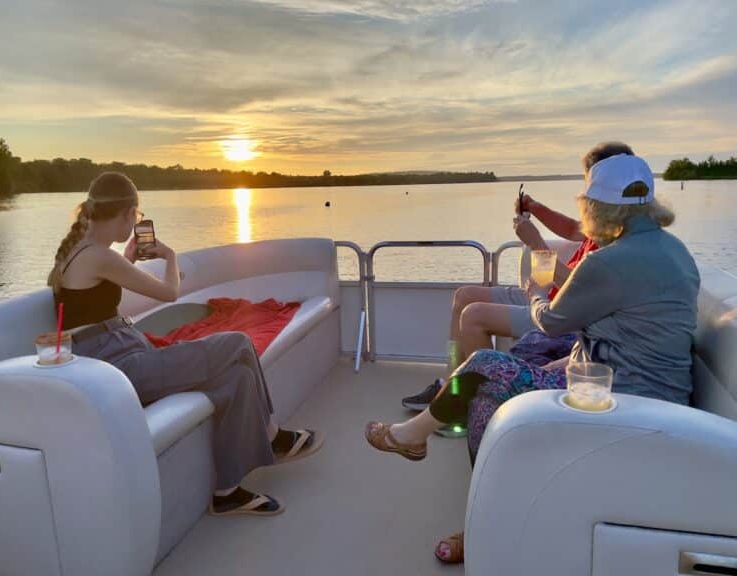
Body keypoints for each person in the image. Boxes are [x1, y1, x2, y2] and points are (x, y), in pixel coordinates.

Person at [366, 143, 699, 564]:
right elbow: (620, 333)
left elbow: (551, 320)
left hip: (621, 403)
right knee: (486, 397)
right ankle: (490, 519)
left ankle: (415, 441)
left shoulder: (613, 260)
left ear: (600, 209)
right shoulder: (674, 251)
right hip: (651, 394)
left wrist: (534, 291)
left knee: (486, 366)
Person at [48, 172, 323, 516]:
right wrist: (170, 256)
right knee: (237, 342)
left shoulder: (81, 252)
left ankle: (226, 492)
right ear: (125, 214)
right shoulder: (99, 256)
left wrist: (129, 258)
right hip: (119, 369)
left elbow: (94, 297)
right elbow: (169, 292)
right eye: (135, 216)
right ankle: (271, 434)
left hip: (117, 357)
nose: (134, 223)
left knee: (235, 378)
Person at [401, 167, 609, 412]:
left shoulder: (614, 244)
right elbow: (573, 229)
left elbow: (577, 291)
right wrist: (535, 208)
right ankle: (451, 386)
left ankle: (488, 401)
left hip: (557, 313)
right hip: (545, 294)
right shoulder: (603, 223)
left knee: (474, 316)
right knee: (463, 296)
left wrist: (535, 243)